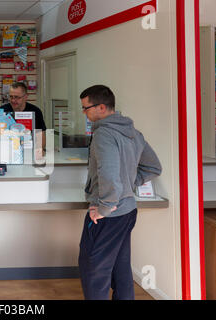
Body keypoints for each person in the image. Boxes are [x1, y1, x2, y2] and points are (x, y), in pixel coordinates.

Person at [78, 85, 162, 300]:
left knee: (94, 270)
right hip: (127, 211)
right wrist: (128, 185)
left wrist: (104, 208)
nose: (84, 114)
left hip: (109, 215)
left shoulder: (104, 135)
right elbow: (153, 167)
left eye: (86, 108)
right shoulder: (132, 132)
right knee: (120, 267)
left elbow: (109, 173)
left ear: (102, 107)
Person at [0, 82, 46, 156]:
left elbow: (41, 134)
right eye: (11, 97)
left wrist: (40, 149)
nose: (13, 100)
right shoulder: (2, 111)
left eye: (17, 97)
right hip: (7, 152)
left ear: (26, 97)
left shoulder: (35, 111)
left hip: (29, 152)